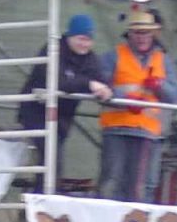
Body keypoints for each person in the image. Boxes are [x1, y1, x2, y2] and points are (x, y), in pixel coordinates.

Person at [17, 14, 113, 189]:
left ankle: (38, 205)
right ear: (69, 36)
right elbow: (56, 81)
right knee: (51, 161)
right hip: (36, 112)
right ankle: (43, 203)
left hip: (61, 118)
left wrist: (105, 90)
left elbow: (101, 80)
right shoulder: (53, 50)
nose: (84, 44)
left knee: (51, 163)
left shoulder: (90, 59)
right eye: (80, 38)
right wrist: (89, 84)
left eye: (88, 40)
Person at [97, 8, 177, 204]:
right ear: (129, 34)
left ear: (154, 33)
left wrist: (159, 85)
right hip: (116, 128)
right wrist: (126, 98)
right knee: (111, 181)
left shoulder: (164, 60)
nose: (142, 37)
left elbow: (175, 97)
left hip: (146, 131)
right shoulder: (113, 56)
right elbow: (100, 87)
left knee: (140, 187)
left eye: (146, 32)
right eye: (138, 33)